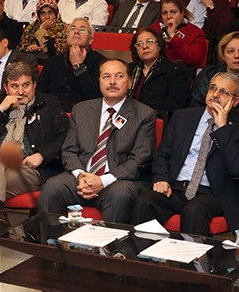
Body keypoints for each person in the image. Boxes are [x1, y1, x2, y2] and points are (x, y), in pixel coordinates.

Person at [0, 61, 69, 281]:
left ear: (34, 85)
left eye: (26, 85)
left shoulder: (49, 104)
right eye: (15, 86)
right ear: (6, 87)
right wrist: (1, 110)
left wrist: (42, 154)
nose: (21, 91)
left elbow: (65, 136)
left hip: (28, 167)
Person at [39, 59, 157, 224]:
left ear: (129, 81)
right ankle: (50, 239)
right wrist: (81, 176)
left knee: (120, 194)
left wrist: (102, 180)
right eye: (106, 77)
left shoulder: (144, 114)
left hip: (118, 180)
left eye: (119, 76)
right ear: (99, 81)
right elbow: (69, 150)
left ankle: (110, 242)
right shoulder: (81, 109)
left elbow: (139, 159)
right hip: (81, 176)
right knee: (52, 187)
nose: (112, 82)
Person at [132, 72, 239, 236]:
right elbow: (162, 154)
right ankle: (143, 251)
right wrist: (161, 178)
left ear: (235, 101)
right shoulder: (183, 116)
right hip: (176, 188)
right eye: (213, 88)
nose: (215, 95)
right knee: (144, 201)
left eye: (223, 92)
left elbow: (238, 168)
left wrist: (222, 128)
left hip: (213, 194)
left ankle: (193, 254)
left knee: (194, 209)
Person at [36, 18, 105, 107]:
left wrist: (79, 67)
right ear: (67, 36)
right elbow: (40, 93)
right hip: (53, 110)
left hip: (85, 110)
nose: (76, 32)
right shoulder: (53, 62)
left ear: (90, 39)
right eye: (72, 29)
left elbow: (96, 96)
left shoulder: (100, 62)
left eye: (82, 30)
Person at [128, 27, 190, 113]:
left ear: (159, 46)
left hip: (157, 117)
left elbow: (177, 103)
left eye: (149, 41)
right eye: (139, 44)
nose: (145, 46)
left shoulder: (175, 71)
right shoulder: (129, 69)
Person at [190, 32, 239, 115]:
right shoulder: (208, 74)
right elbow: (194, 105)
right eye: (231, 51)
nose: (236, 56)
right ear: (223, 55)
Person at [150, 0, 208, 69]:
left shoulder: (195, 32)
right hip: (152, 70)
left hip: (180, 72)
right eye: (165, 13)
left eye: (173, 12)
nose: (169, 16)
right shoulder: (153, 29)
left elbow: (194, 60)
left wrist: (174, 37)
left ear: (182, 13)